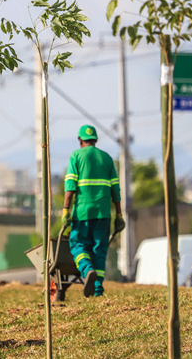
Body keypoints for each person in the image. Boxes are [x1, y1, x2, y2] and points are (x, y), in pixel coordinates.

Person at [61, 125, 124, 298]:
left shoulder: (76, 156)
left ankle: (87, 269)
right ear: (95, 140)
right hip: (103, 215)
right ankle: (97, 290)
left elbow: (70, 187)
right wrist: (119, 215)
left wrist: (66, 210)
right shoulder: (107, 158)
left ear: (80, 140)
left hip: (82, 214)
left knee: (77, 244)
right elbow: (116, 191)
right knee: (99, 250)